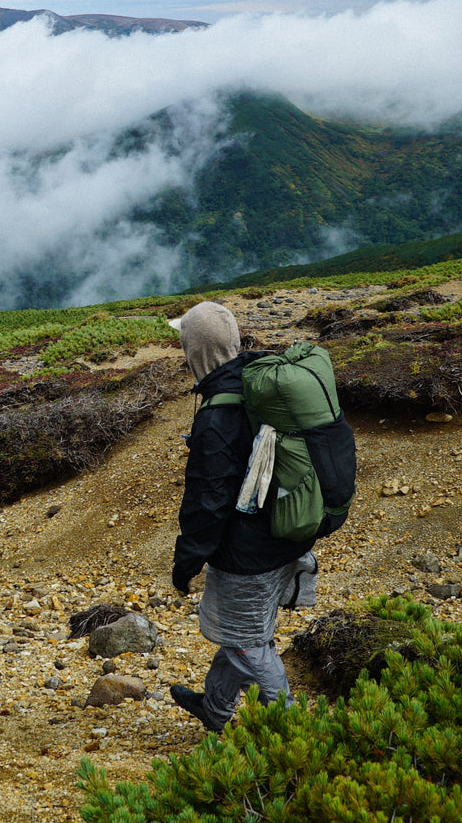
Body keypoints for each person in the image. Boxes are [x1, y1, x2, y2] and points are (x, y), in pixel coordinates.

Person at [168, 301, 341, 732]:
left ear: (194, 350)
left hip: (249, 554)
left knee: (248, 642)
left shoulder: (218, 415)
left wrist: (186, 562)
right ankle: (215, 708)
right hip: (287, 532)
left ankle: (288, 731)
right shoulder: (260, 384)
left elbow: (209, 501)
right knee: (241, 632)